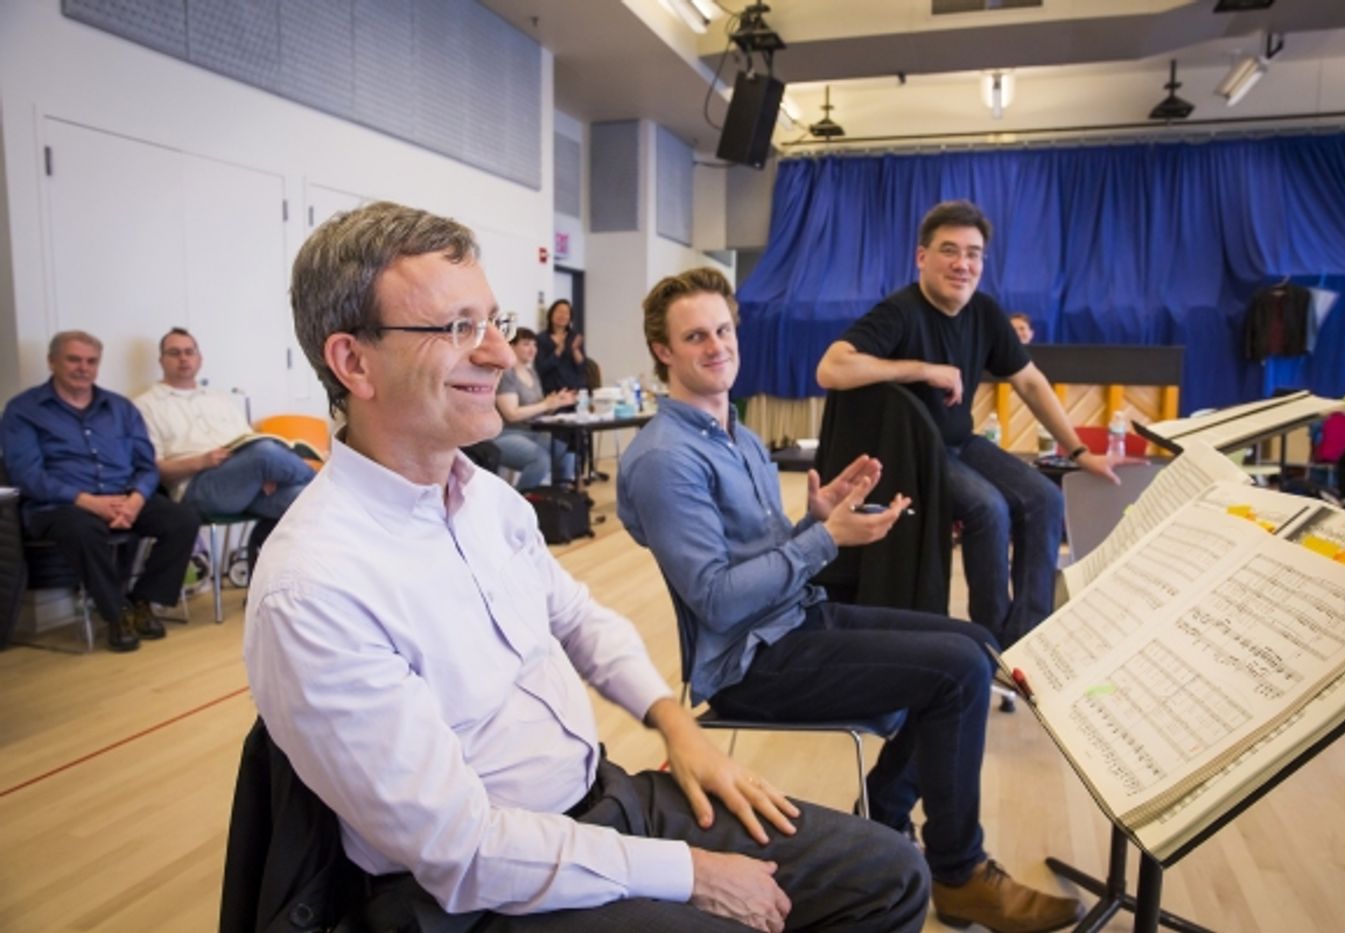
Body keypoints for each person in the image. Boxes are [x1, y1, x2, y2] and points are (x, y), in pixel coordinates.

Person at [246, 200, 930, 932]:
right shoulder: (314, 586)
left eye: (493, 322)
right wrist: (690, 872)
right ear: (353, 362)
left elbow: (576, 617)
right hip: (480, 895)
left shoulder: (487, 501)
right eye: (457, 329)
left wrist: (677, 725)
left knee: (890, 876)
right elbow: (464, 850)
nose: (501, 356)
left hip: (601, 799)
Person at [618, 267, 1083, 933]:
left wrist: (815, 519)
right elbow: (718, 600)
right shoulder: (666, 459)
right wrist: (824, 540)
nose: (716, 345)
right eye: (696, 336)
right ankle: (958, 872)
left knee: (973, 644)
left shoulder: (737, 435)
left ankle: (885, 831)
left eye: (723, 329)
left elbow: (762, 557)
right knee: (957, 672)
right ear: (663, 351)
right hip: (754, 662)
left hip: (794, 617)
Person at [817, 200, 1118, 646]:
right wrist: (921, 368)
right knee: (989, 510)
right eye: (949, 251)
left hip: (962, 443)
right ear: (922, 257)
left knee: (1044, 500)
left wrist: (1078, 451)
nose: (963, 264)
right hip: (919, 454)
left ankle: (1029, 637)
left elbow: (1031, 383)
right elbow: (831, 369)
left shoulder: (985, 312)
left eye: (973, 253)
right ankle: (989, 642)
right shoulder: (899, 311)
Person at [2, 331, 201, 651]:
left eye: (91, 361)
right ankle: (116, 613)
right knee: (83, 529)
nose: (83, 367)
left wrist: (136, 499)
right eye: (74, 359)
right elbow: (27, 475)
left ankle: (143, 602)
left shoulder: (119, 407)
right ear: (52, 362)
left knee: (183, 519)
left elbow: (146, 465)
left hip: (123, 498)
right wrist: (88, 502)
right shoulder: (24, 410)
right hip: (60, 505)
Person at [133, 327, 315, 565]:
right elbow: (153, 469)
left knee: (307, 501)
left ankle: (266, 590)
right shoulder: (145, 406)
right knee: (268, 454)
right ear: (162, 360)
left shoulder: (219, 398)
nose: (183, 358)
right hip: (199, 488)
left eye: (189, 352)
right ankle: (327, 484)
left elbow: (249, 442)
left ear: (199, 359)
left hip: (247, 482)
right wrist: (200, 461)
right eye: (175, 353)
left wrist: (269, 473)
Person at [494, 327, 577, 488]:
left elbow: (538, 409)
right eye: (526, 344)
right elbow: (511, 414)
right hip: (506, 434)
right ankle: (518, 505)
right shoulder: (506, 374)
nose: (532, 349)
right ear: (511, 346)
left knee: (566, 451)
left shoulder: (531, 373)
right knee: (539, 459)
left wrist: (556, 402)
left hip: (532, 432)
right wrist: (545, 404)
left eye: (534, 345)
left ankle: (560, 501)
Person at [536, 298, 588, 395]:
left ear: (570, 318)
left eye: (566, 313)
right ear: (551, 314)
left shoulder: (575, 337)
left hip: (575, 389)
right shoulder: (541, 339)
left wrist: (575, 350)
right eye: (559, 311)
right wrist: (558, 351)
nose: (562, 315)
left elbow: (582, 367)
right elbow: (540, 368)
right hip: (552, 390)